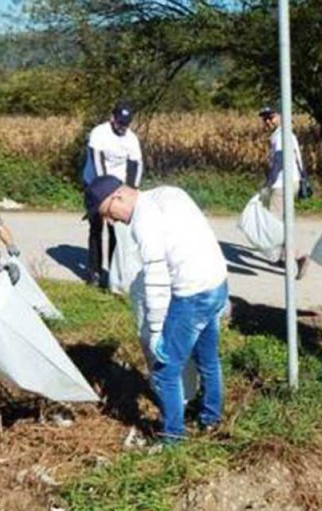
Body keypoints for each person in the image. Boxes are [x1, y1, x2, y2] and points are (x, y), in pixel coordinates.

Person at [83, 175, 228, 442]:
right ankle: (211, 418)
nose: (111, 221)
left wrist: (157, 328)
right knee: (207, 358)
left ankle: (173, 438)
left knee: (164, 372)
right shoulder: (167, 193)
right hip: (217, 283)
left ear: (118, 197)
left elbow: (157, 275)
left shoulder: (143, 220)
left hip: (193, 294)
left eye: (108, 213)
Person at [81, 100, 144, 286]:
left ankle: (114, 274)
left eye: (126, 125)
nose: (122, 128)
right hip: (95, 183)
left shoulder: (131, 139)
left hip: (119, 186)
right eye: (119, 123)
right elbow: (98, 163)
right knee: (96, 228)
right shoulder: (99, 133)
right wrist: (104, 194)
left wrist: (131, 191)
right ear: (112, 118)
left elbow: (136, 166)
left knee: (116, 230)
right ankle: (94, 272)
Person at [258, 106, 309, 278]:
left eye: (270, 117)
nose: (267, 121)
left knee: (274, 223)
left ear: (279, 116)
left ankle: (296, 257)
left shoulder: (280, 136)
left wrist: (269, 183)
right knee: (284, 222)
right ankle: (283, 256)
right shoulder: (288, 134)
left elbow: (279, 161)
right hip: (292, 181)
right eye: (265, 118)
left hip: (282, 184)